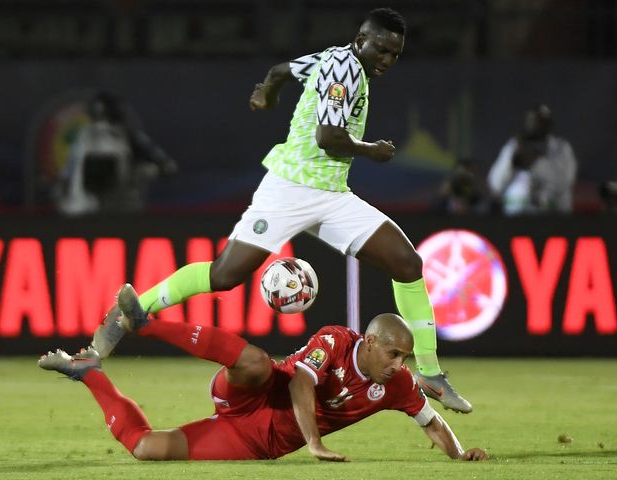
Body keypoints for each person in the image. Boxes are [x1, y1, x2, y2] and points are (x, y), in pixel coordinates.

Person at [91, 7, 471, 413]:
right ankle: (129, 311)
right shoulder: (343, 68)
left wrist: (266, 91)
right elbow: (329, 137)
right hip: (289, 190)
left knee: (407, 263)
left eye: (395, 54)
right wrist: (371, 150)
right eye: (381, 50)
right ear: (362, 41)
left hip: (330, 194)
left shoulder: (331, 58)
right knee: (225, 274)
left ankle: (430, 371)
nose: (386, 60)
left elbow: (281, 70)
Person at [40, 284, 488, 462]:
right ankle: (145, 323)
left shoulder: (399, 385)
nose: (399, 365)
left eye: (404, 359)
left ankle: (89, 370)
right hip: (256, 392)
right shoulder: (335, 340)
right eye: (393, 354)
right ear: (370, 343)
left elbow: (430, 421)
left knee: (145, 448)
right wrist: (313, 441)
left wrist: (459, 453)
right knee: (255, 360)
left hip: (259, 440)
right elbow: (299, 380)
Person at [56, 91, 177, 216]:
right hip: (108, 211)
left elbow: (167, 166)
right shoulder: (125, 136)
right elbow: (167, 166)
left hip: (88, 210)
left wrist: (144, 172)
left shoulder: (83, 136)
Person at [487, 104, 577, 215]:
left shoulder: (561, 148)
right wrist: (512, 162)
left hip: (553, 217)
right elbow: (495, 184)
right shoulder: (514, 147)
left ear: (549, 124)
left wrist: (535, 163)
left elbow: (564, 182)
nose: (537, 125)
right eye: (533, 120)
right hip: (515, 218)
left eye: (542, 121)